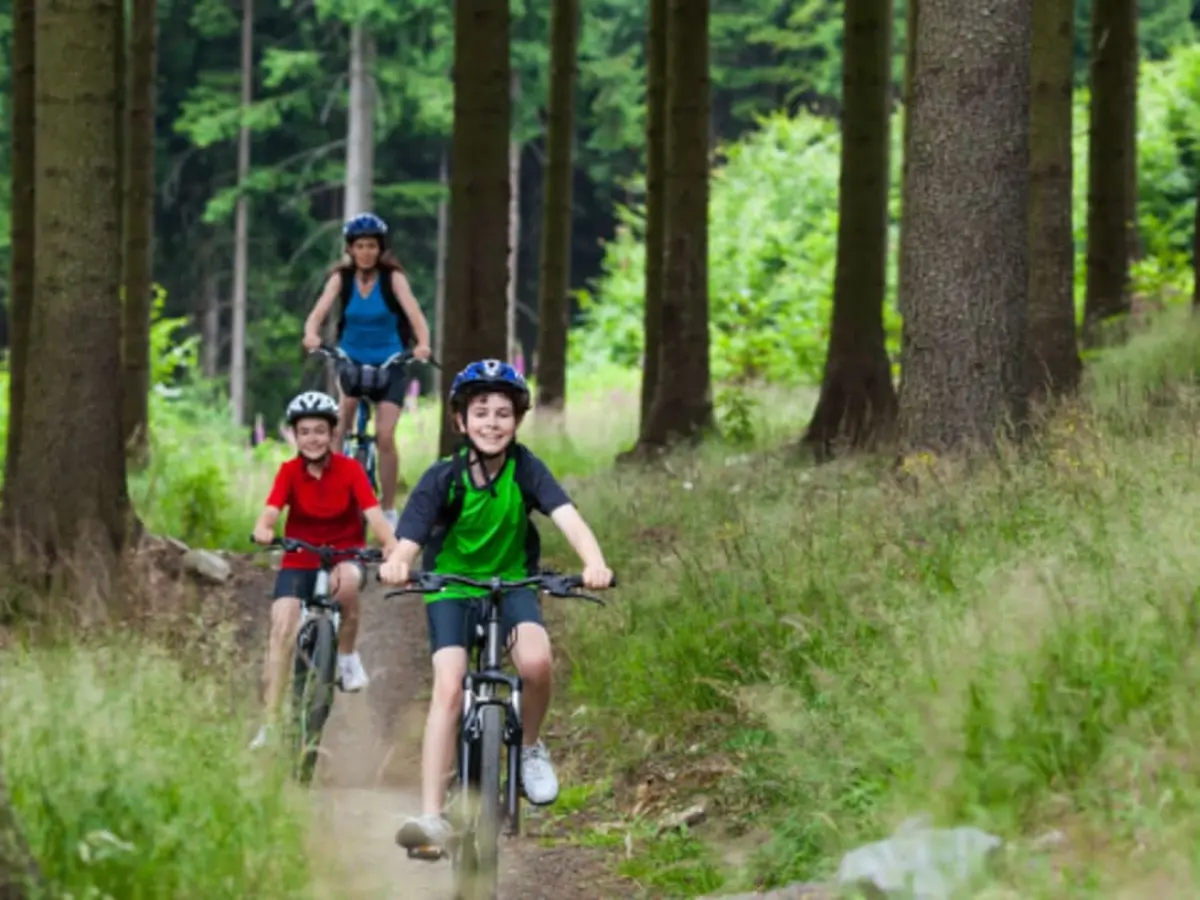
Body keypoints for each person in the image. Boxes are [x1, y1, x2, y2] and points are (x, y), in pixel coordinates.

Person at [379, 359, 614, 853]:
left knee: (536, 661)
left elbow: (567, 516)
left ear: (518, 421)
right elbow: (411, 537)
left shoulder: (526, 468)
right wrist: (399, 562)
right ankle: (432, 816)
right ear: (460, 421)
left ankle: (528, 747)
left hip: (512, 585)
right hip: (452, 587)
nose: (491, 422)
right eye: (480, 411)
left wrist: (594, 562)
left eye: (503, 413)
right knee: (448, 686)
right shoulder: (443, 477)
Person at [248, 390, 399, 750]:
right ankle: (269, 723)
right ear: (294, 436)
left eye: (320, 430)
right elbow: (270, 513)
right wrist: (264, 530)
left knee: (345, 585)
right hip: (299, 558)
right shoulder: (289, 472)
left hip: (345, 555)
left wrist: (392, 547)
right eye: (304, 431)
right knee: (282, 625)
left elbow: (374, 516)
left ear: (333, 434)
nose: (312, 438)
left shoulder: (351, 470)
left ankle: (346, 656)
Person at [302, 212, 433, 529]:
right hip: (351, 361)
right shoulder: (341, 279)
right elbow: (318, 312)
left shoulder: (393, 279)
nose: (366, 252)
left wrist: (423, 344)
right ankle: (330, 495)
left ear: (380, 248)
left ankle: (388, 509)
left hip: (389, 364)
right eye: (360, 245)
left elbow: (415, 314)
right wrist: (311, 335)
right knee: (340, 425)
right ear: (350, 248)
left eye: (372, 245)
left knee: (386, 437)